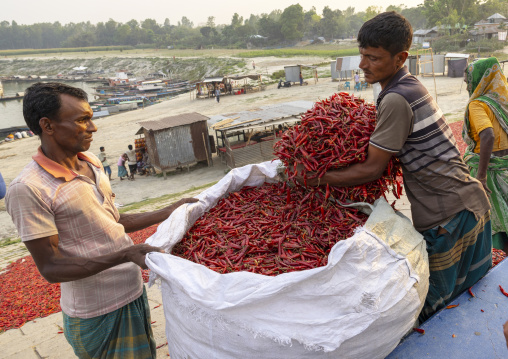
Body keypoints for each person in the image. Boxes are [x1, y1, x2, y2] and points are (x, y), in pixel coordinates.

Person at [296, 12, 492, 321]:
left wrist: (316, 179)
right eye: (362, 55)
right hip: (471, 203)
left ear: (400, 58)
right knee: (475, 303)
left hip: (448, 220)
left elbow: (372, 169)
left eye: (373, 58)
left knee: (437, 314)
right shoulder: (411, 85)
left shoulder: (395, 99)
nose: (363, 65)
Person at [5, 82, 198, 358]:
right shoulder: (28, 188)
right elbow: (50, 267)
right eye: (82, 120)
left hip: (133, 294)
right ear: (47, 126)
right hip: (97, 313)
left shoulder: (92, 162)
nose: (93, 128)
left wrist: (171, 209)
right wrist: (125, 255)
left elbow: (112, 219)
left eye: (91, 118)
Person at [463, 57, 508, 254]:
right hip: (505, 166)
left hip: (490, 171)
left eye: (468, 81)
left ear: (480, 80)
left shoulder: (478, 104)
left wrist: (480, 176)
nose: (467, 86)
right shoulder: (503, 101)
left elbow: (487, 135)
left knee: (493, 223)